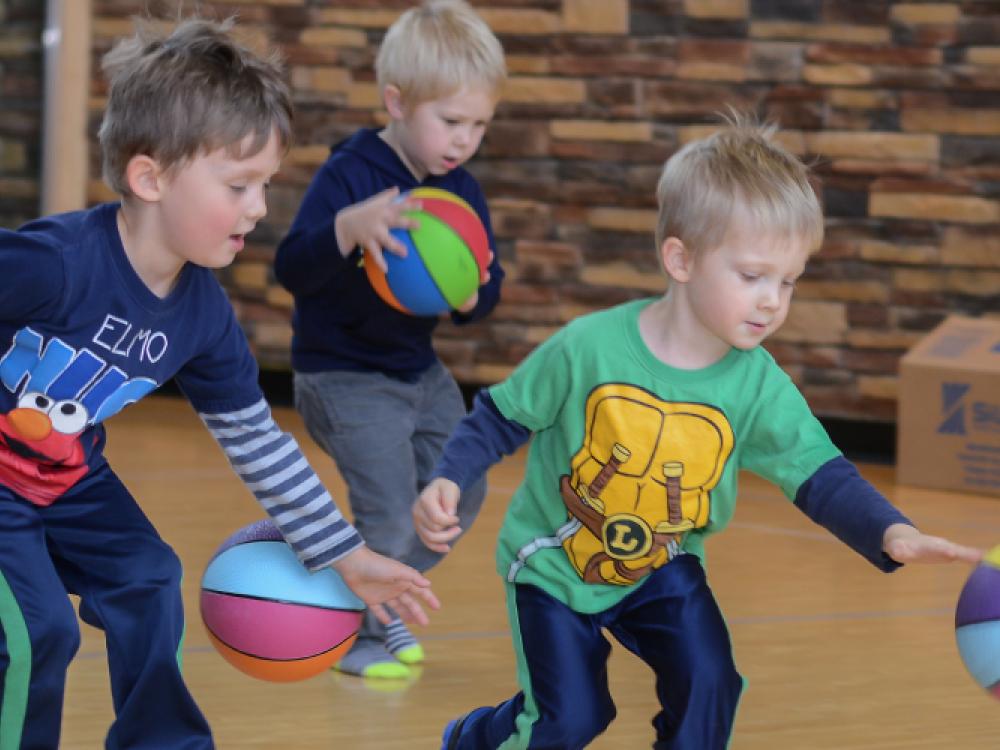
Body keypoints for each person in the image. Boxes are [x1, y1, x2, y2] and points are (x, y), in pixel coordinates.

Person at [412, 115, 984, 750]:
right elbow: (499, 416)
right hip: (554, 564)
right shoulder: (587, 349)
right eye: (752, 276)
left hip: (663, 563)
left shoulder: (758, 385)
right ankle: (475, 737)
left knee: (711, 684)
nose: (773, 300)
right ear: (680, 259)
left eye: (788, 281)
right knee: (571, 719)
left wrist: (891, 531)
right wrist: (447, 477)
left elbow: (819, 474)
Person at [0, 18, 439, 750]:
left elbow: (257, 443)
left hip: (66, 473)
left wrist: (346, 554)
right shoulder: (58, 265)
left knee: (148, 578)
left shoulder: (202, 315)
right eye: (238, 185)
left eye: (264, 184)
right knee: (39, 627)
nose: (259, 207)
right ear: (150, 178)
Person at [273, 0, 506, 679]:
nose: (464, 140)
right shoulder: (351, 174)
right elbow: (292, 267)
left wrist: (473, 294)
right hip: (343, 375)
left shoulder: (460, 191)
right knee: (388, 511)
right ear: (397, 102)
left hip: (418, 371)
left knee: (457, 491)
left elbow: (483, 289)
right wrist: (348, 229)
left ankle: (367, 590)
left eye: (480, 124)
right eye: (451, 121)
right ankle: (367, 638)